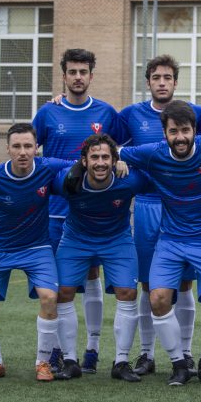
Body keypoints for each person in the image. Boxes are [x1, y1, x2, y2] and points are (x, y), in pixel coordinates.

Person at [117, 100, 201, 386]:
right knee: (158, 298)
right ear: (164, 132)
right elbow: (110, 150)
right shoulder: (153, 152)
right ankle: (178, 364)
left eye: (185, 130)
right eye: (173, 131)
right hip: (171, 239)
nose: (180, 137)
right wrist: (118, 158)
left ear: (194, 130)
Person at [33, 48, 129, 373]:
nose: (77, 77)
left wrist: (123, 160)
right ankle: (59, 351)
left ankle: (92, 348)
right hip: (55, 212)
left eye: (83, 72)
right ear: (63, 76)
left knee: (92, 276)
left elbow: (124, 146)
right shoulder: (48, 112)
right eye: (72, 72)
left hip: (94, 210)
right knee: (59, 288)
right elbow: (30, 155)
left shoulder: (106, 112)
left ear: (91, 75)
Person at [118, 55, 201, 376]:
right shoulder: (130, 115)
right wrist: (119, 160)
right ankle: (146, 354)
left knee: (183, 284)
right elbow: (107, 143)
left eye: (167, 77)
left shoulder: (195, 114)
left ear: (175, 82)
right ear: (148, 82)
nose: (162, 82)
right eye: (156, 77)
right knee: (147, 283)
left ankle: (185, 353)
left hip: (184, 206)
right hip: (146, 205)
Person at [0, 123, 71, 382]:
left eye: (28, 146)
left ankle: (43, 363)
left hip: (37, 248)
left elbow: (79, 164)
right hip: (1, 247)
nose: (23, 152)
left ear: (36, 148)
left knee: (49, 297)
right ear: (8, 149)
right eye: (17, 146)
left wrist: (119, 161)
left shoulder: (47, 167)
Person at [52, 134, 152, 382]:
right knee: (63, 292)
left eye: (105, 157)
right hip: (76, 239)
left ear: (114, 160)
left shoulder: (129, 180)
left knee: (128, 292)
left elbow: (164, 181)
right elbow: (36, 186)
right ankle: (70, 360)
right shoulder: (66, 180)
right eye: (94, 157)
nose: (100, 163)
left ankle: (121, 361)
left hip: (117, 240)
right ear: (84, 161)